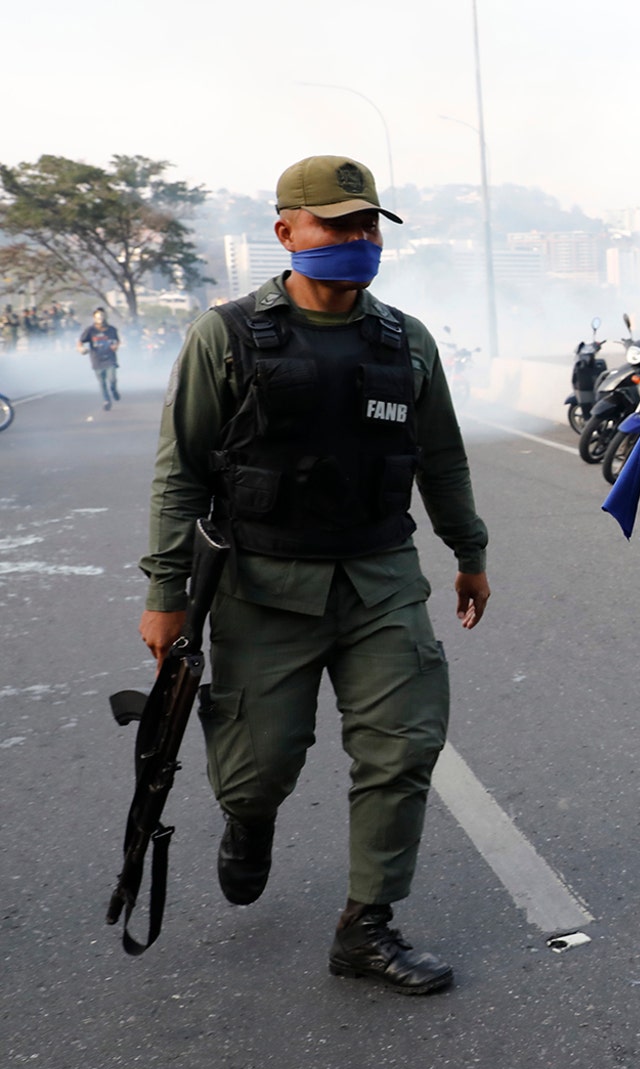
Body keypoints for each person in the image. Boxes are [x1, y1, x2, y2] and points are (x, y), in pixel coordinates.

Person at [137, 155, 491, 995]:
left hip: (381, 580)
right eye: (338, 223)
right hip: (262, 588)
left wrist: (468, 552)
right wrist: (166, 593)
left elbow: (439, 457)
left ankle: (366, 926)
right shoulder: (225, 335)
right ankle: (248, 820)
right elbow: (180, 470)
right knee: (260, 767)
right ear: (286, 231)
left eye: (368, 224)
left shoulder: (407, 340)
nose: (358, 238)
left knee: (403, 748)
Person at [77, 306, 121, 410]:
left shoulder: (111, 330)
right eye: (98, 317)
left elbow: (117, 341)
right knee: (102, 382)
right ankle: (106, 400)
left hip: (110, 359)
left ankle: (114, 390)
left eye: (102, 317)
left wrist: (116, 346)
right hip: (97, 360)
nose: (100, 319)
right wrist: (81, 349)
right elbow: (80, 342)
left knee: (112, 379)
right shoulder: (90, 330)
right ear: (94, 318)